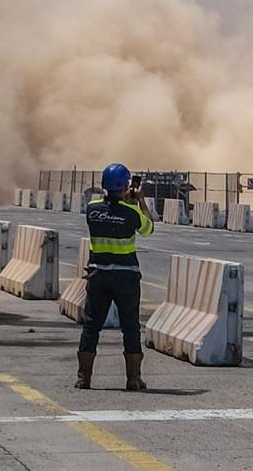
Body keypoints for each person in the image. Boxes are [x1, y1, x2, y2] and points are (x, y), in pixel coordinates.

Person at [76, 163, 155, 391]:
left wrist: (123, 201)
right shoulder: (131, 212)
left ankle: (84, 377)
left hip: (98, 275)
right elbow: (149, 229)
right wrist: (139, 201)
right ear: (126, 186)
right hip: (126, 277)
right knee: (130, 327)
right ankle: (133, 378)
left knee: (91, 326)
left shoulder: (92, 208)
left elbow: (108, 213)